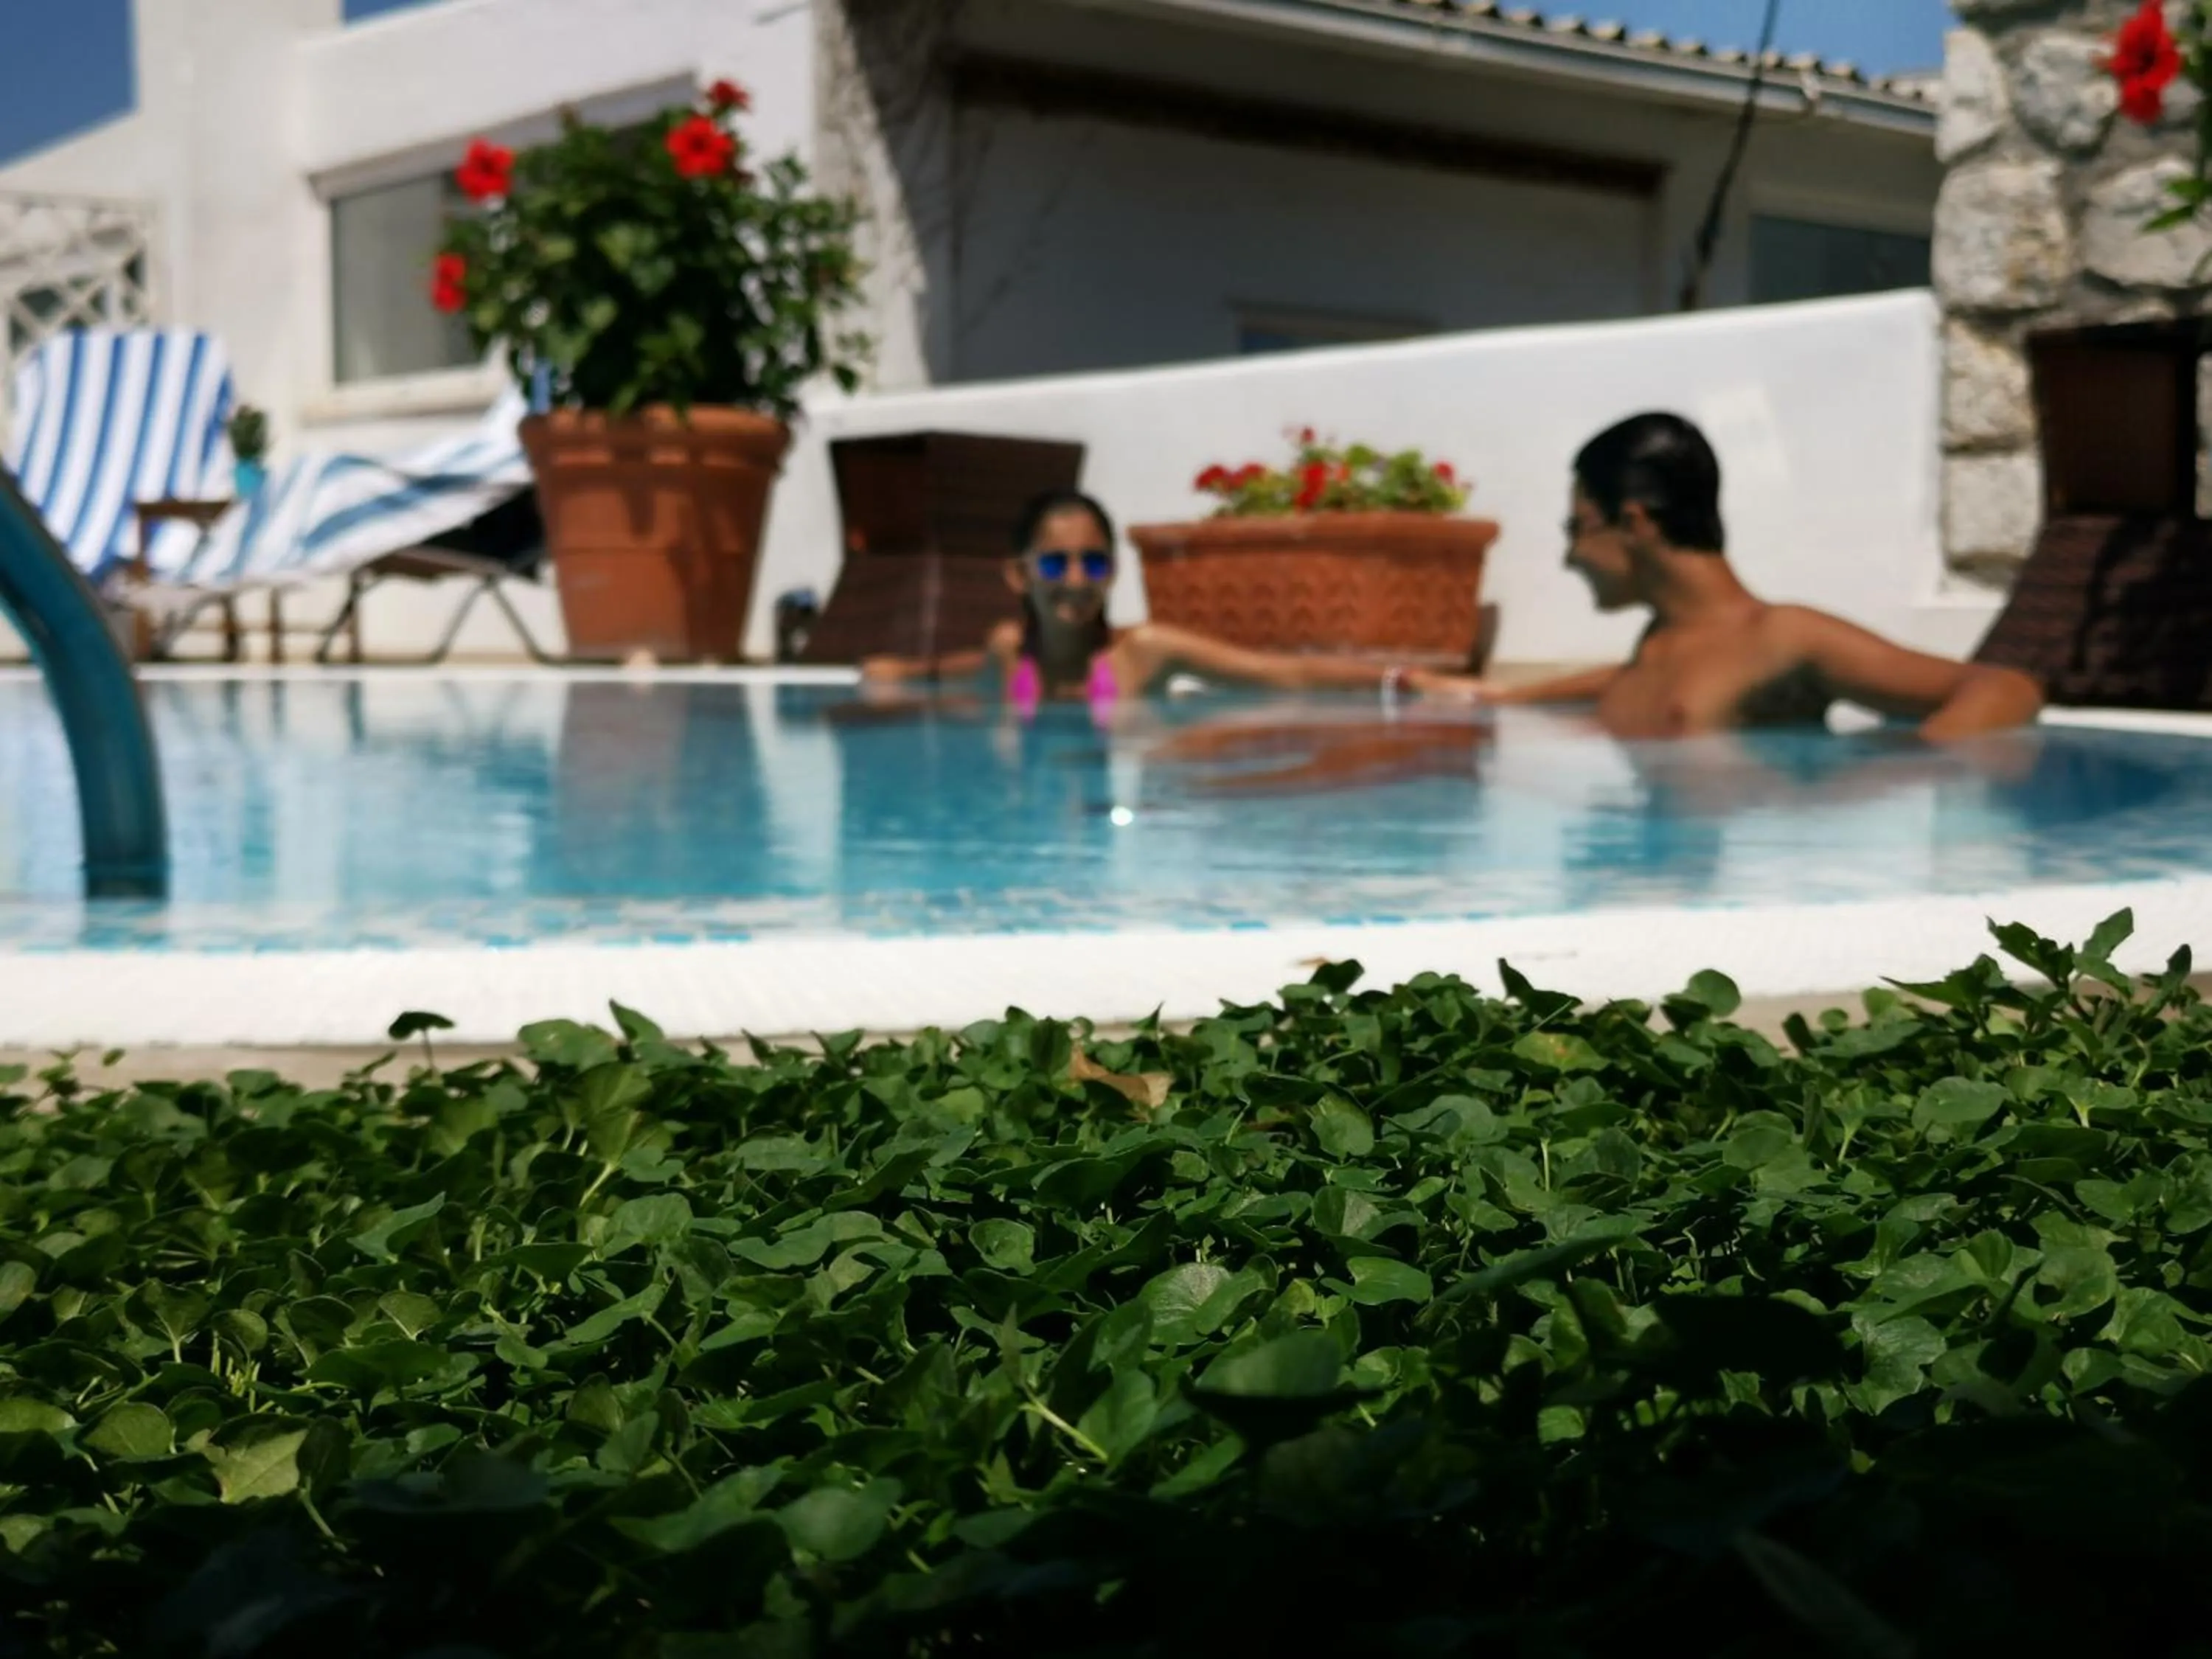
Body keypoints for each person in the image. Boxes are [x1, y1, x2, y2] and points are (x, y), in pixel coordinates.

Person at [1436, 414, 2045, 740]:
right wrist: (1503, 700)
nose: (1570, 557)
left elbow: (2004, 689)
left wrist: (1901, 775)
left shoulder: (1784, 637)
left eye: (1577, 529)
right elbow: (1624, 683)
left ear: (1633, 523)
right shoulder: (1657, 647)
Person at [857, 490, 1457, 708]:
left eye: (1093, 561)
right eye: (1056, 562)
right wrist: (904, 674)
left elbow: (1280, 674)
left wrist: (1397, 679)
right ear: (1019, 576)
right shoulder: (1008, 651)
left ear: (1112, 572)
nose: (1076, 578)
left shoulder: (1142, 653)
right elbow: (966, 671)